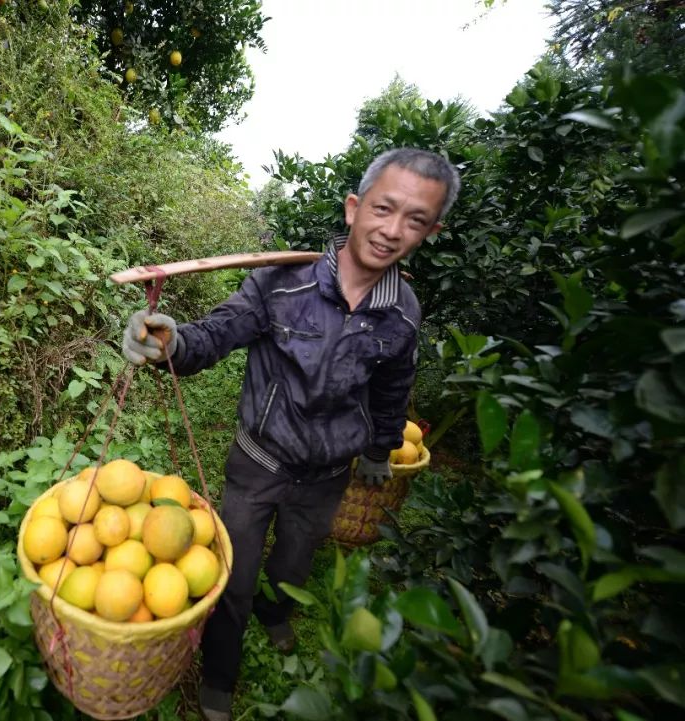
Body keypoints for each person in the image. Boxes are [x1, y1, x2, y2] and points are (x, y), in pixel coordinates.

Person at [120, 148, 460, 721]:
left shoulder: (402, 313)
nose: (392, 230)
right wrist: (170, 344)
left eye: (415, 221)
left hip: (328, 476)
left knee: (294, 564)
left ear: (431, 231)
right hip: (260, 462)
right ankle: (221, 676)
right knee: (233, 575)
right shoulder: (280, 283)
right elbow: (216, 333)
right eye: (384, 209)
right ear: (355, 208)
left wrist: (379, 448)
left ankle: (276, 615)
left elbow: (392, 388)